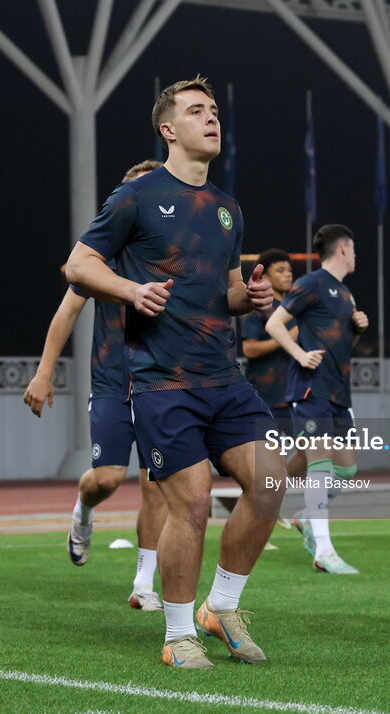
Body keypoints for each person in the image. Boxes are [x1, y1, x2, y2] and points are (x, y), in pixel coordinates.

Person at [65, 76, 285, 670]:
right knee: (191, 504)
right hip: (162, 380)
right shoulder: (136, 196)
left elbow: (228, 293)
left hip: (225, 378)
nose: (212, 119)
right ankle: (179, 634)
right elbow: (79, 265)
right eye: (196, 111)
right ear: (168, 129)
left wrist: (251, 297)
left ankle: (223, 607)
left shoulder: (227, 209)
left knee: (271, 481)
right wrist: (130, 290)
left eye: (214, 110)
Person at [23, 160, 166, 610]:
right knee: (107, 478)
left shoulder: (174, 252)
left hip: (162, 384)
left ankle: (143, 584)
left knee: (156, 485)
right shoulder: (100, 257)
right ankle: (83, 511)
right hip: (111, 382)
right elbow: (66, 313)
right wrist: (44, 374)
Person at [266, 224, 369, 574]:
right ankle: (324, 551)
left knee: (348, 469)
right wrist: (300, 354)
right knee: (320, 464)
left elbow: (344, 347)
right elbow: (275, 323)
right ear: (343, 249)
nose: (356, 256)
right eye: (354, 249)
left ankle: (305, 516)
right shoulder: (312, 283)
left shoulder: (346, 294)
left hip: (338, 391)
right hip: (311, 389)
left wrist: (357, 330)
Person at [241, 248, 307, 483]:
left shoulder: (294, 309)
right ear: (266, 277)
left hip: (293, 396)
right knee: (267, 462)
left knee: (310, 452)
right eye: (280, 270)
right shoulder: (258, 308)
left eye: (289, 270)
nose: (288, 274)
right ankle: (266, 492)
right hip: (265, 398)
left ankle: (276, 489)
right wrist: (284, 337)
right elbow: (249, 349)